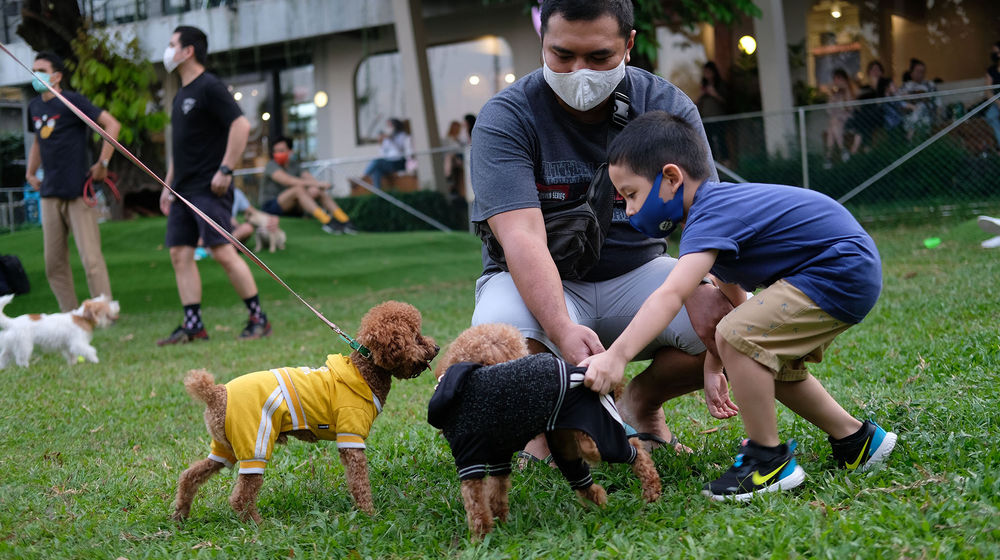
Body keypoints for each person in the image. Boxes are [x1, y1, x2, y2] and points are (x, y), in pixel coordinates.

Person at [581, 111, 896, 501]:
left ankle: (768, 460)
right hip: (842, 268)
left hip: (839, 268)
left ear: (672, 178)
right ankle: (857, 440)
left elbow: (670, 294)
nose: (628, 210)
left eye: (631, 194)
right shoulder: (711, 215)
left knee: (742, 337)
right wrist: (716, 362)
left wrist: (617, 356)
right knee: (759, 355)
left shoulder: (711, 212)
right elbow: (732, 293)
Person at [469, 0, 732, 461]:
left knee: (730, 320)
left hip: (639, 270)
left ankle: (642, 404)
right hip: (537, 278)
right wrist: (562, 328)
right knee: (497, 339)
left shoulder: (666, 105)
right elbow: (523, 240)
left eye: (598, 57)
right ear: (542, 43)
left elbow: (708, 217)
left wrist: (705, 287)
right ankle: (544, 431)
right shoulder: (506, 116)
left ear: (629, 45)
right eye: (563, 55)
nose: (579, 71)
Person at [157, 25, 271, 345]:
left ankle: (259, 319)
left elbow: (241, 124)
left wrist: (226, 169)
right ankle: (194, 325)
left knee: (222, 251)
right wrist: (167, 186)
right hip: (181, 190)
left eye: (171, 44)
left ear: (188, 50)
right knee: (180, 254)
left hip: (208, 188)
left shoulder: (209, 86)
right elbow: (179, 148)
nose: (167, 51)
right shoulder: (180, 95)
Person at [25, 52, 120, 313]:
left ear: (57, 76)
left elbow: (111, 125)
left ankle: (105, 313)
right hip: (49, 193)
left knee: (91, 259)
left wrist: (103, 164)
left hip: (78, 191)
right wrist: (30, 172)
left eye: (41, 70)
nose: (35, 75)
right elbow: (38, 140)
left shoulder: (72, 101)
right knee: (53, 264)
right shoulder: (34, 107)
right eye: (33, 69)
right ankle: (70, 316)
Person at [261, 135, 356, 234]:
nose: (277, 154)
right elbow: (288, 181)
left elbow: (308, 178)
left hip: (293, 207)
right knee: (298, 189)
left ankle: (345, 220)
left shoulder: (295, 165)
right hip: (271, 207)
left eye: (281, 151)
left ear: (290, 151)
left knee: (316, 190)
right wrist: (318, 184)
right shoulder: (271, 165)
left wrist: (316, 186)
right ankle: (327, 221)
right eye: (275, 151)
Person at [848, 60, 896, 154]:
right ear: (868, 72)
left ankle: (856, 147)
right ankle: (865, 147)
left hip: (882, 115)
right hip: (867, 117)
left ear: (882, 72)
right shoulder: (865, 88)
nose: (875, 72)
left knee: (864, 118)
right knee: (864, 118)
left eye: (877, 70)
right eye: (873, 70)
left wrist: (878, 86)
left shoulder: (886, 84)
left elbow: (890, 97)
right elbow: (856, 99)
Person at [363, 118, 412, 189]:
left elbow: (399, 151)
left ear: (395, 126)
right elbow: (383, 153)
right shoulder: (387, 137)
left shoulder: (402, 135)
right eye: (387, 126)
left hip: (398, 162)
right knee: (376, 170)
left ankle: (364, 177)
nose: (388, 128)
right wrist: (380, 143)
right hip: (389, 162)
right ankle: (378, 192)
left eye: (390, 125)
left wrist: (390, 139)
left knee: (376, 161)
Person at [696, 61, 729, 165]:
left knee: (721, 141)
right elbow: (697, 103)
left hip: (719, 118)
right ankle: (715, 166)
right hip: (707, 119)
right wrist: (701, 95)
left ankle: (726, 163)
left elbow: (727, 101)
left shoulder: (721, 85)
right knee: (709, 143)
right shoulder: (703, 86)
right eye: (705, 72)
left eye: (709, 72)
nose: (707, 75)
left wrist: (714, 93)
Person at [898, 58, 938, 140]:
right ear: (911, 72)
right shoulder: (905, 86)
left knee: (921, 108)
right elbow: (901, 103)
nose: (921, 74)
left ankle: (911, 138)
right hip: (909, 117)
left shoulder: (930, 85)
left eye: (923, 71)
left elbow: (937, 103)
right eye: (918, 71)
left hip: (928, 117)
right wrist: (920, 97)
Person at [823, 68, 855, 168]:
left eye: (839, 79)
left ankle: (829, 157)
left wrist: (846, 90)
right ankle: (842, 151)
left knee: (832, 125)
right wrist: (832, 96)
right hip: (837, 122)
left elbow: (850, 108)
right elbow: (828, 111)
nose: (836, 82)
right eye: (835, 79)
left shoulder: (850, 90)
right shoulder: (835, 94)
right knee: (832, 126)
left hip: (849, 120)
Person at [984, 41, 1000, 153]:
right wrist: (998, 103)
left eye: (998, 52)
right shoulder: (991, 70)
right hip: (997, 101)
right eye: (994, 53)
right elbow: (988, 91)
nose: (996, 55)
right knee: (990, 116)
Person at [442, 120, 466, 194]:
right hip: (454, 158)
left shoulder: (459, 138)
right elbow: (450, 150)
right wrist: (456, 158)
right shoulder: (449, 139)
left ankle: (448, 176)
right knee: (449, 156)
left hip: (461, 156)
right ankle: (448, 175)